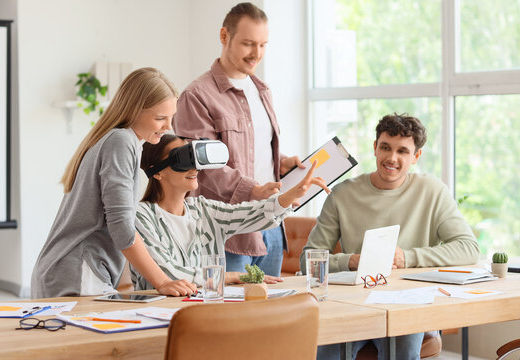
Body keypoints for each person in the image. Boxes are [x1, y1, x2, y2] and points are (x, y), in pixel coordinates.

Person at [300, 113, 480, 360]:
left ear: (415, 156)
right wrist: (352, 261)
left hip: (410, 304)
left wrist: (406, 257)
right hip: (354, 304)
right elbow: (307, 260)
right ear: (375, 148)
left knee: (404, 347)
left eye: (402, 151)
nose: (392, 158)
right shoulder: (342, 195)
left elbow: (468, 248)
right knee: (328, 350)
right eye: (385, 147)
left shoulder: (432, 191)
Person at [31, 68, 197, 298]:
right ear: (133, 110)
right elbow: (121, 226)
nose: (168, 126)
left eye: (171, 118)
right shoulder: (121, 142)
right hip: (78, 269)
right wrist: (163, 282)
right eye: (160, 118)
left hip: (69, 268)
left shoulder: (117, 140)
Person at [173, 2, 304, 277]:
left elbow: (250, 151)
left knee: (269, 317)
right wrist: (254, 190)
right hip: (228, 235)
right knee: (226, 318)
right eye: (248, 44)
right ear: (224, 37)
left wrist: (281, 163)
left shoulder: (261, 90)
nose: (257, 54)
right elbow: (202, 169)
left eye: (263, 45)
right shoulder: (197, 96)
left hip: (271, 226)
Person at [132, 135, 329, 290]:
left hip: (205, 310)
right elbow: (166, 274)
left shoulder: (202, 209)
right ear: (156, 172)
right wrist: (233, 276)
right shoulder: (140, 216)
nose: (193, 167)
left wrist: (288, 196)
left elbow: (250, 214)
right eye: (182, 159)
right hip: (158, 313)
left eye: (194, 158)